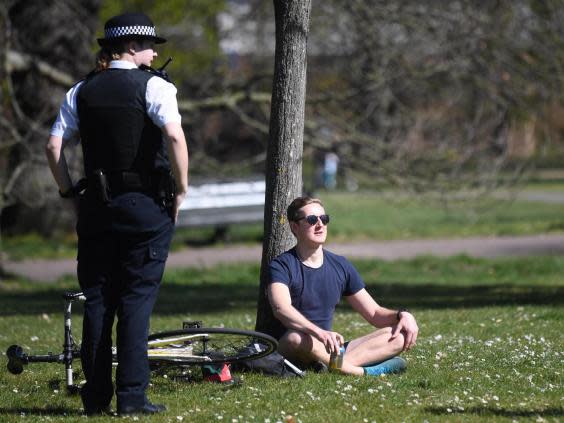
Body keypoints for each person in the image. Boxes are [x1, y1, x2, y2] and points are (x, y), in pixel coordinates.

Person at [45, 12, 189, 415]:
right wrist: (181, 189)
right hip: (145, 206)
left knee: (97, 301)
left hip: (96, 207)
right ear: (130, 47)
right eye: (149, 45)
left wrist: (68, 191)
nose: (154, 53)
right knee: (136, 301)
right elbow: (175, 135)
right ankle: (131, 397)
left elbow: (53, 148)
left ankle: (94, 399)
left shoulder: (81, 90)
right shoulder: (155, 86)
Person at [268, 197, 419, 376]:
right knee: (296, 338)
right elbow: (281, 309)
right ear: (295, 227)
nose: (320, 225)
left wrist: (403, 315)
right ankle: (361, 372)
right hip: (297, 343)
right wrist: (320, 333)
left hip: (329, 348)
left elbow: (375, 314)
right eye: (311, 220)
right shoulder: (281, 265)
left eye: (324, 219)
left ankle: (329, 366)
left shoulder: (340, 265)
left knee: (398, 336)